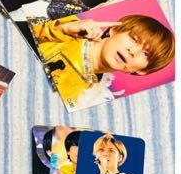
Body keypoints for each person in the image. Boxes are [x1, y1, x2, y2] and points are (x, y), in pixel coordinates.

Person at [33, 13, 175, 110]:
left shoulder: (90, 101)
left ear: (142, 71)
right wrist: (60, 29)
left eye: (145, 54)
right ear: (114, 30)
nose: (133, 51)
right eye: (134, 39)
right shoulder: (69, 25)